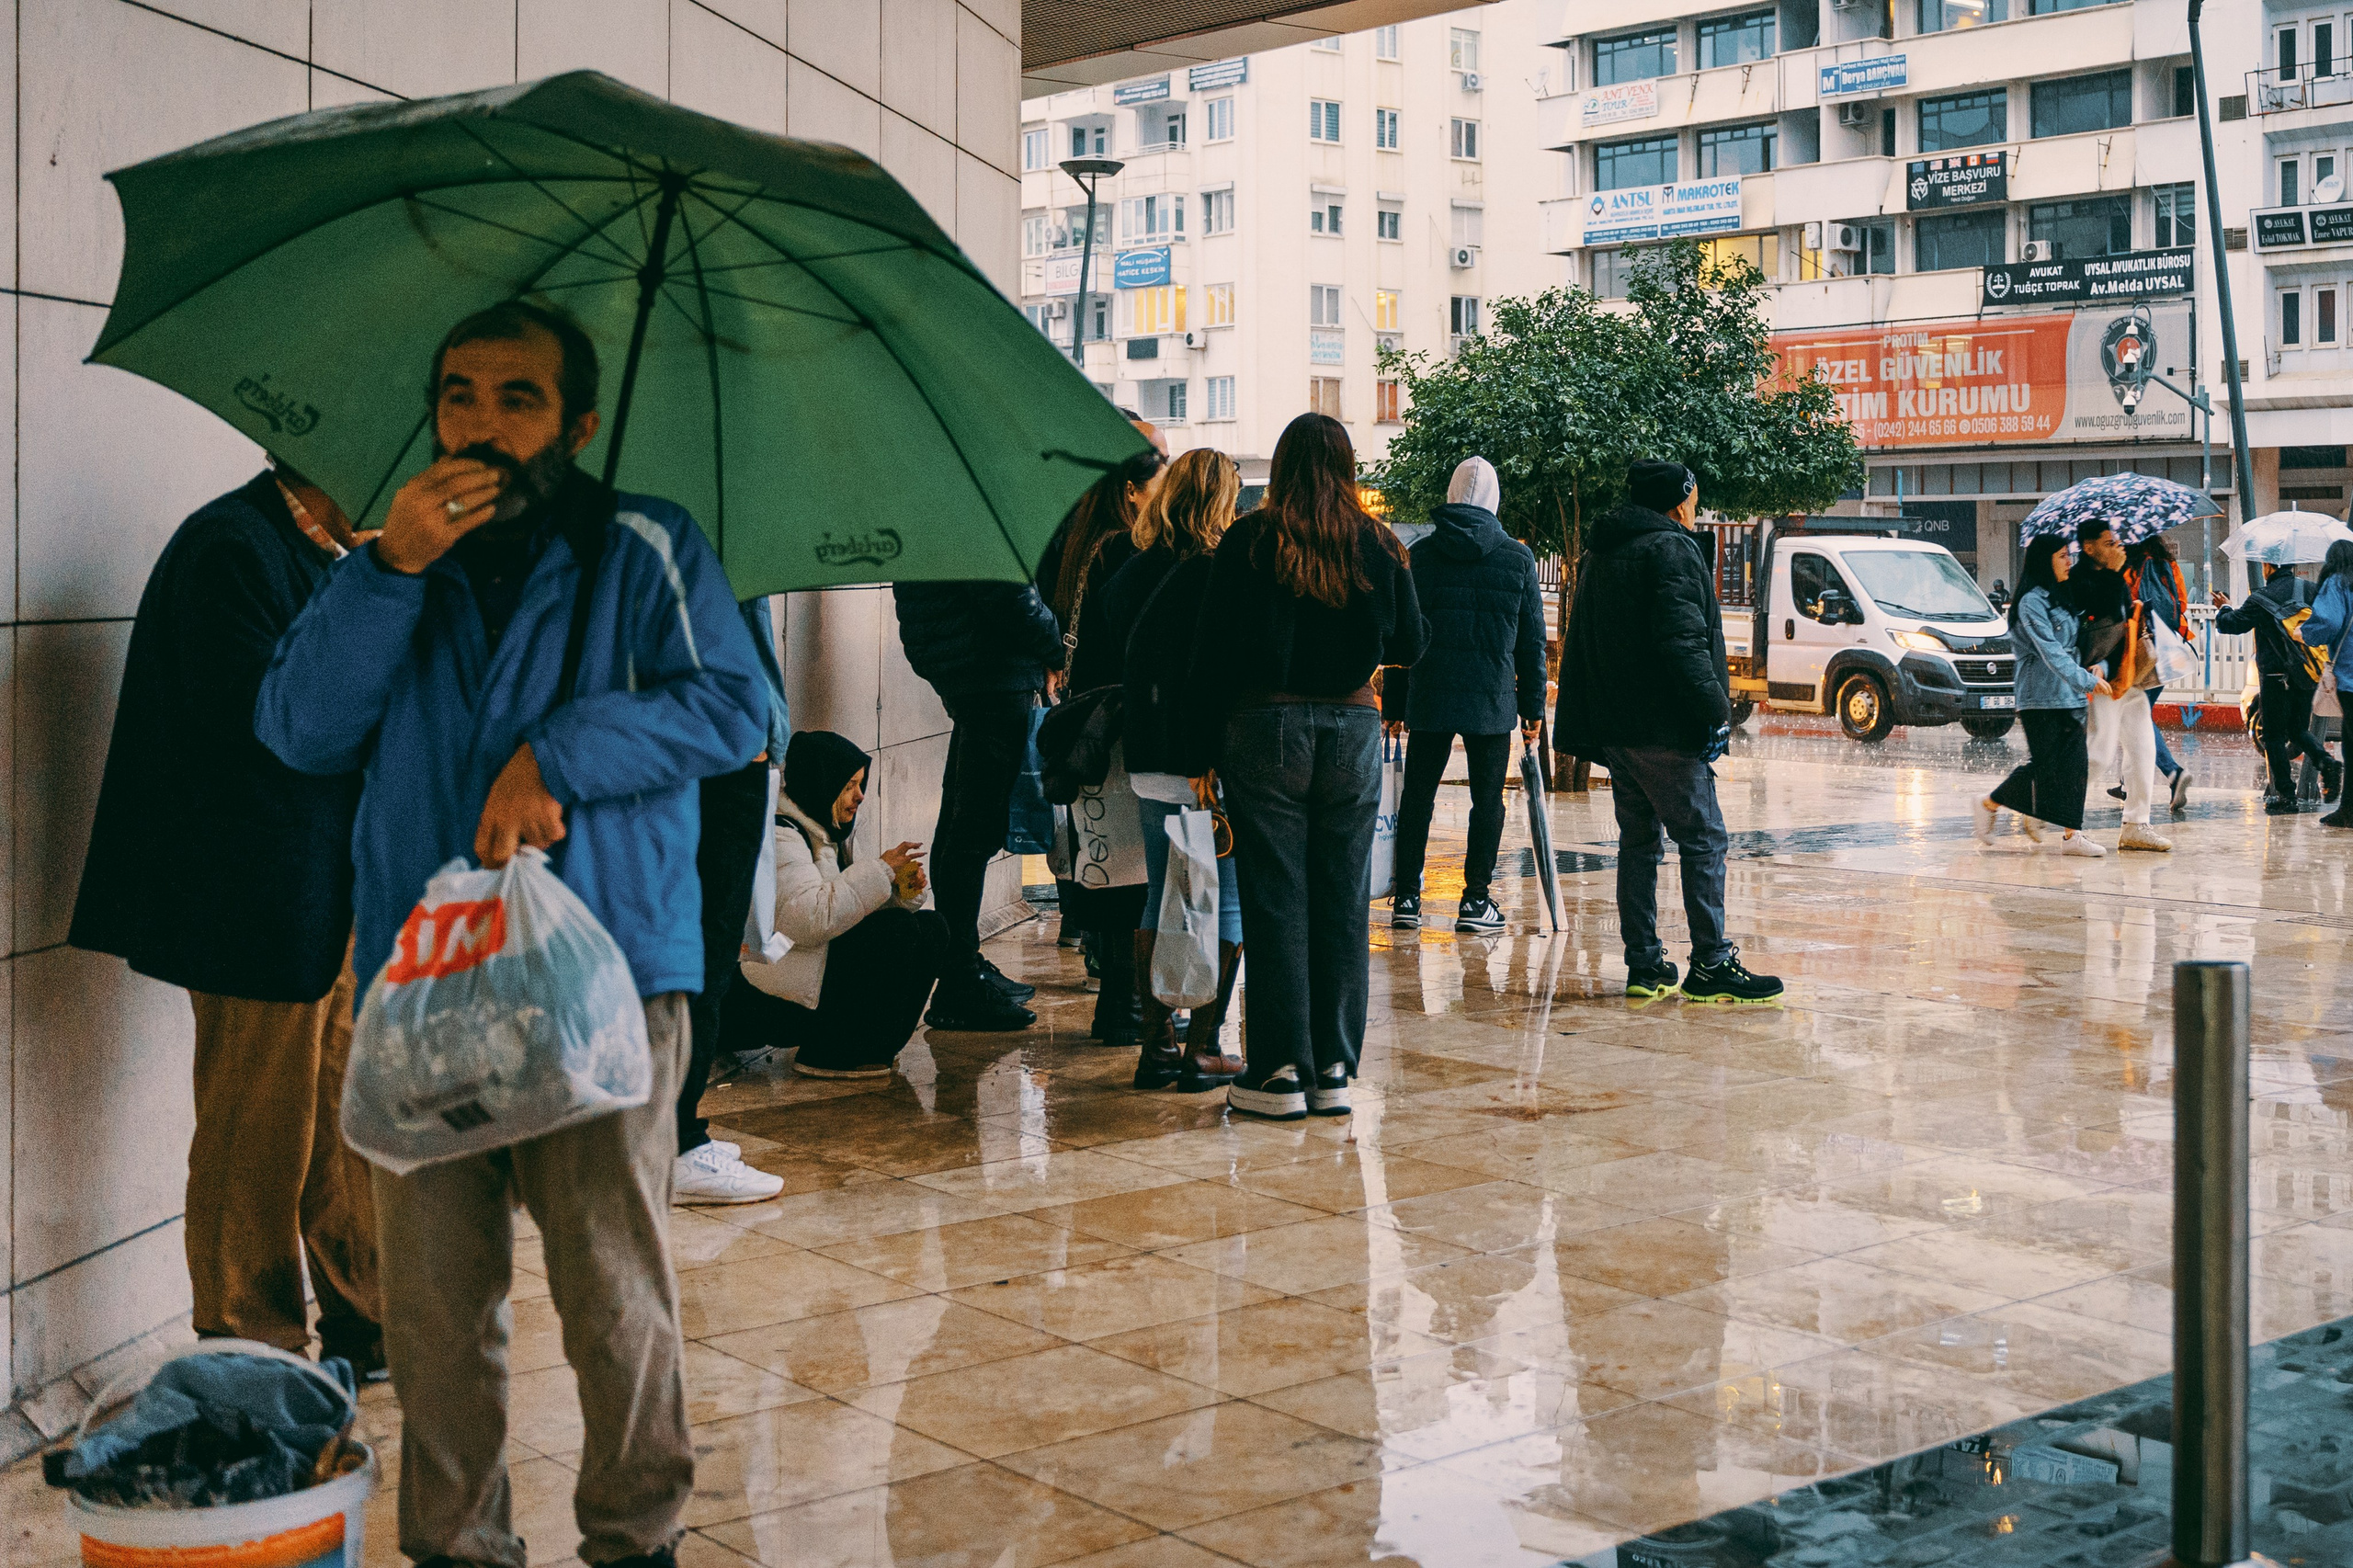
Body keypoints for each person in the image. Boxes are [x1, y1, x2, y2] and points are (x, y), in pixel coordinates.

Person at [256, 300, 768, 1568]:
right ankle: (459, 1546)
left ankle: (636, 1538)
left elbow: (736, 707)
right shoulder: (387, 562)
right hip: (426, 983)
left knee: (611, 1292)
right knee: (432, 1311)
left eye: (517, 398)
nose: (480, 424)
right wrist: (389, 572)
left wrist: (560, 752)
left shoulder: (646, 546)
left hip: (605, 974)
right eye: (458, 394)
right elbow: (297, 727)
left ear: (579, 423)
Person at [70, 459, 384, 1375]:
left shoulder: (333, 555)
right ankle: (249, 1340)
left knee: (341, 1117)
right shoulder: (232, 548)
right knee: (258, 1132)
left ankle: (368, 1322)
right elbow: (272, 725)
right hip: (254, 894)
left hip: (329, 881)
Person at [1191, 413, 1427, 1119]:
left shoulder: (1249, 539)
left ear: (1285, 465)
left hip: (1264, 728)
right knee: (1340, 898)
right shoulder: (1380, 543)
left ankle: (1278, 1072)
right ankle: (1332, 1067)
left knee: (1275, 899)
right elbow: (1412, 643)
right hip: (1353, 729)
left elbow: (1211, 653)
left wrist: (1201, 751)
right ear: (1349, 466)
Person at [1555, 460, 1782, 1005]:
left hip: (1617, 727)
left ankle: (1645, 964)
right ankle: (1710, 962)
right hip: (1660, 728)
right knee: (1704, 836)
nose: (1696, 506)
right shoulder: (1671, 550)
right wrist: (1714, 713)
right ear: (1679, 500)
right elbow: (1682, 645)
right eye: (1694, 497)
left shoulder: (1604, 551)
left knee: (1639, 843)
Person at [1076, 448, 1247, 1091]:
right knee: (1222, 898)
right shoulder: (1216, 571)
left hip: (1145, 755)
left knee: (1159, 891)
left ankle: (1157, 1047)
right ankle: (1205, 1046)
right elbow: (1215, 670)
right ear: (1220, 501)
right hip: (1204, 760)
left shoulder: (1126, 567)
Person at [1040, 427, 1169, 1046]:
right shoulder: (1124, 550)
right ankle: (1124, 1005)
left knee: (1105, 865)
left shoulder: (1077, 544)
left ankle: (1118, 1001)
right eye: (1155, 485)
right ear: (1131, 492)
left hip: (1086, 720)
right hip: (1118, 725)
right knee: (1130, 873)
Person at [1381, 456, 1546, 935]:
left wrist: (1394, 705)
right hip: (1491, 700)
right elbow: (1531, 642)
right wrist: (1532, 708)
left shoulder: (1421, 555)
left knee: (1417, 798)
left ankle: (1408, 897)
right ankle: (1475, 901)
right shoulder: (1517, 558)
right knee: (1487, 801)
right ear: (1495, 500)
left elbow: (1400, 636)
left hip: (1430, 694)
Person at [892, 576, 1063, 1030]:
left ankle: (961, 961)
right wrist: (1056, 644)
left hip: (971, 673)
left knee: (959, 826)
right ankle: (959, 982)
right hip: (993, 675)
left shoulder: (938, 516)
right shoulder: (973, 522)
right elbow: (1012, 598)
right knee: (974, 833)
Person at [673, 594, 792, 1205]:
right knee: (704, 954)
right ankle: (678, 1143)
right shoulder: (703, 531)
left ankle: (680, 1132)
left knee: (706, 954)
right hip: (720, 751)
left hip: (730, 745)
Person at [738, 731, 949, 1075]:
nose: (860, 796)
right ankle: (832, 1050)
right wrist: (881, 871)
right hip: (771, 983)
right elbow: (808, 919)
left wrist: (897, 891)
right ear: (823, 782)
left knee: (929, 928)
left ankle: (872, 1046)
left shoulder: (826, 833)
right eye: (849, 785)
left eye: (860, 784)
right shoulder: (782, 834)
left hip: (810, 968)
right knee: (894, 932)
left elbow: (844, 902)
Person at [1976, 534, 2108, 855]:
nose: (2069, 562)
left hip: (2070, 697)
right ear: (2044, 560)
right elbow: (2051, 652)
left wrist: (2099, 664)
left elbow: (2077, 645)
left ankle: (2072, 836)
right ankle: (1989, 804)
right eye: (2062, 556)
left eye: (2069, 555)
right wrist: (2085, 681)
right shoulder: (2031, 602)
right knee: (2045, 768)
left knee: (2076, 768)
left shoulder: (2061, 596)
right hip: (2039, 698)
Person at [2215, 562, 2342, 814]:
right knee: (2297, 729)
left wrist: (2224, 607)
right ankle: (2326, 762)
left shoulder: (2261, 598)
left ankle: (2285, 795)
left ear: (2268, 566)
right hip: (2307, 672)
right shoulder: (2311, 590)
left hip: (2275, 677)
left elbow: (2230, 624)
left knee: (2273, 735)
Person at [2072, 521, 2169, 851]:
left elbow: (2123, 620)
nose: (2118, 548)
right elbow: (2092, 628)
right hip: (2101, 681)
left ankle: (2136, 823)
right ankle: (2045, 804)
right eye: (2110, 543)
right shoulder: (2079, 581)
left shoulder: (2117, 577)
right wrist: (2115, 577)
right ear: (2089, 547)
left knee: (2143, 749)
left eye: (2117, 543)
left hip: (2129, 675)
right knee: (2097, 754)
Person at [2121, 537, 2195, 812]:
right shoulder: (2168, 564)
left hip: (2140, 649)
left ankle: (2173, 773)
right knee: (2138, 714)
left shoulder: (2131, 566)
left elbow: (2128, 606)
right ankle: (2126, 784)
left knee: (2136, 717)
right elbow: (2182, 605)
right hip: (2166, 646)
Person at [2298, 540, 2353, 829]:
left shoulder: (2338, 583)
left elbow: (2329, 622)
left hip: (2350, 675)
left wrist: (2304, 632)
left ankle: (2349, 810)